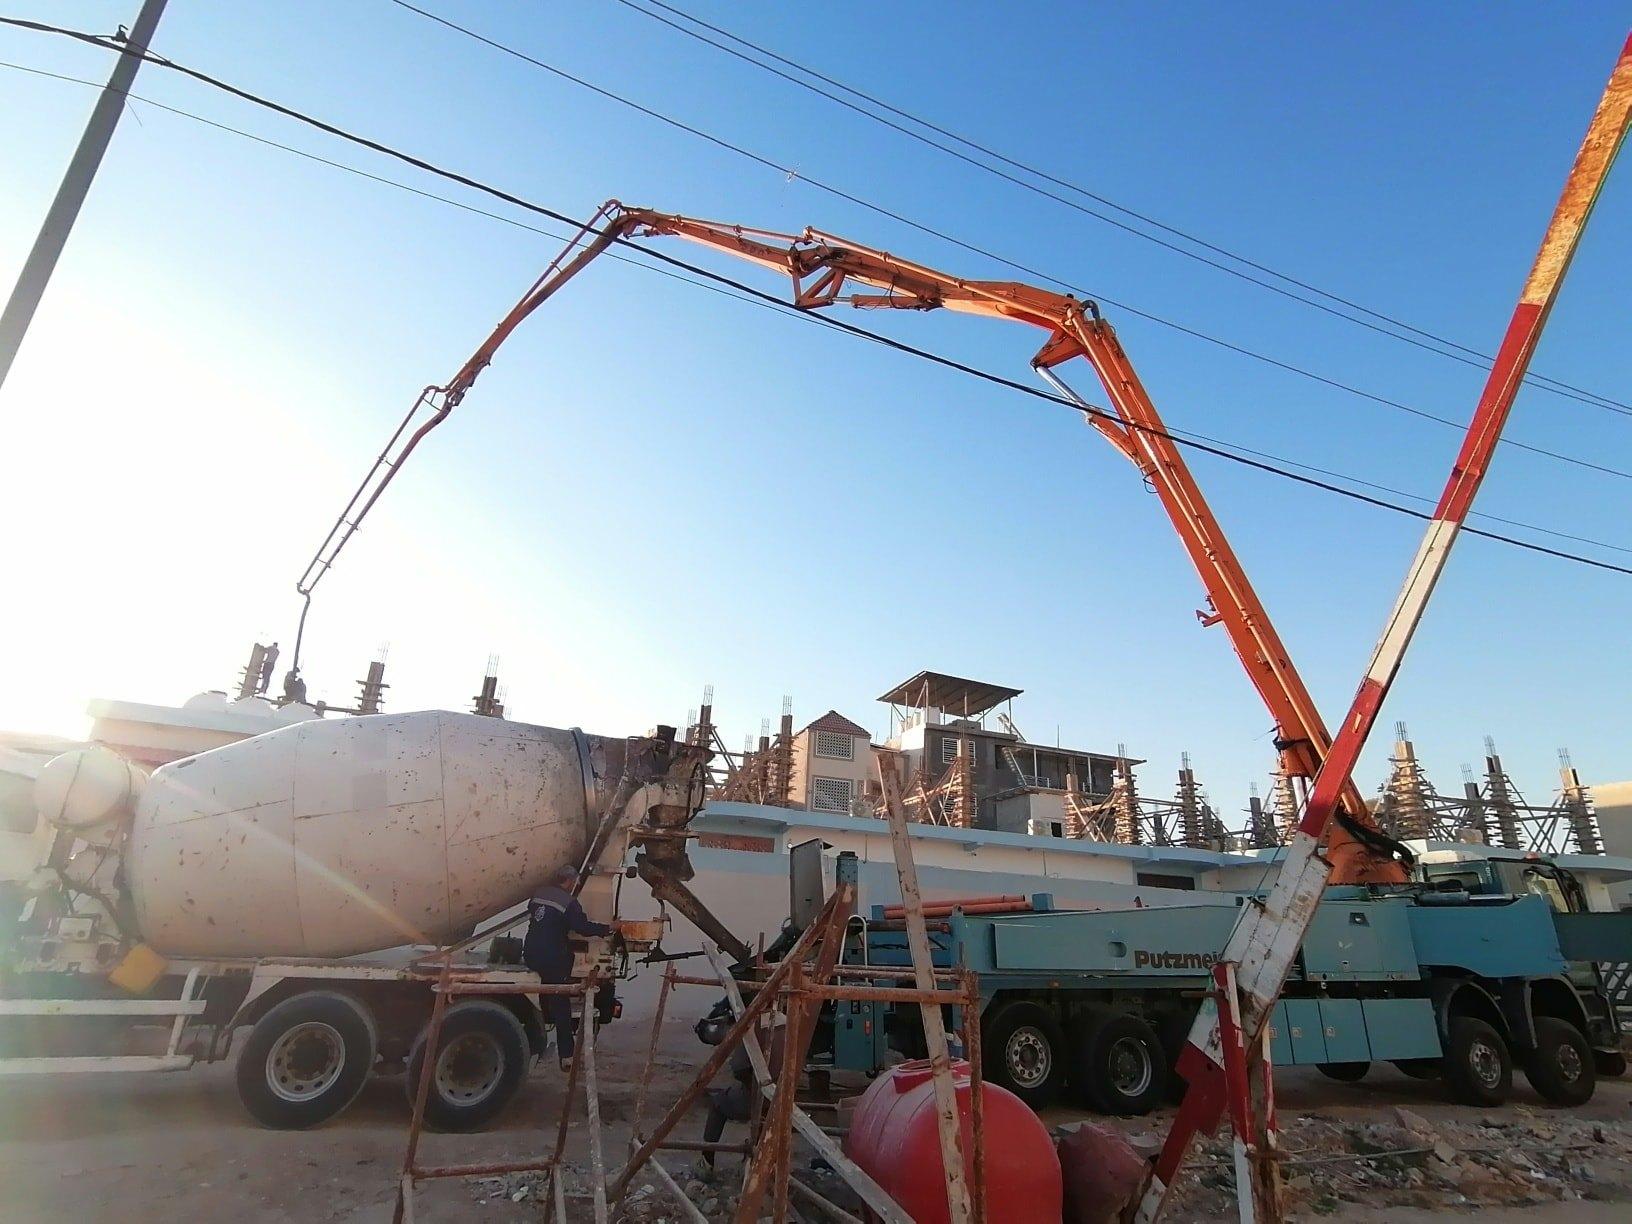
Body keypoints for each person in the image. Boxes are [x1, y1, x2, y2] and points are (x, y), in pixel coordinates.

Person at [522, 866, 610, 1069]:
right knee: (561, 1004)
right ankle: (567, 1056)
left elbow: (536, 914)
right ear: (570, 881)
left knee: (546, 992)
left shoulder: (538, 894)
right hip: (551, 958)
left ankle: (537, 1034)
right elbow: (582, 928)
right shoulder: (569, 903)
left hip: (531, 955)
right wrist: (608, 928)